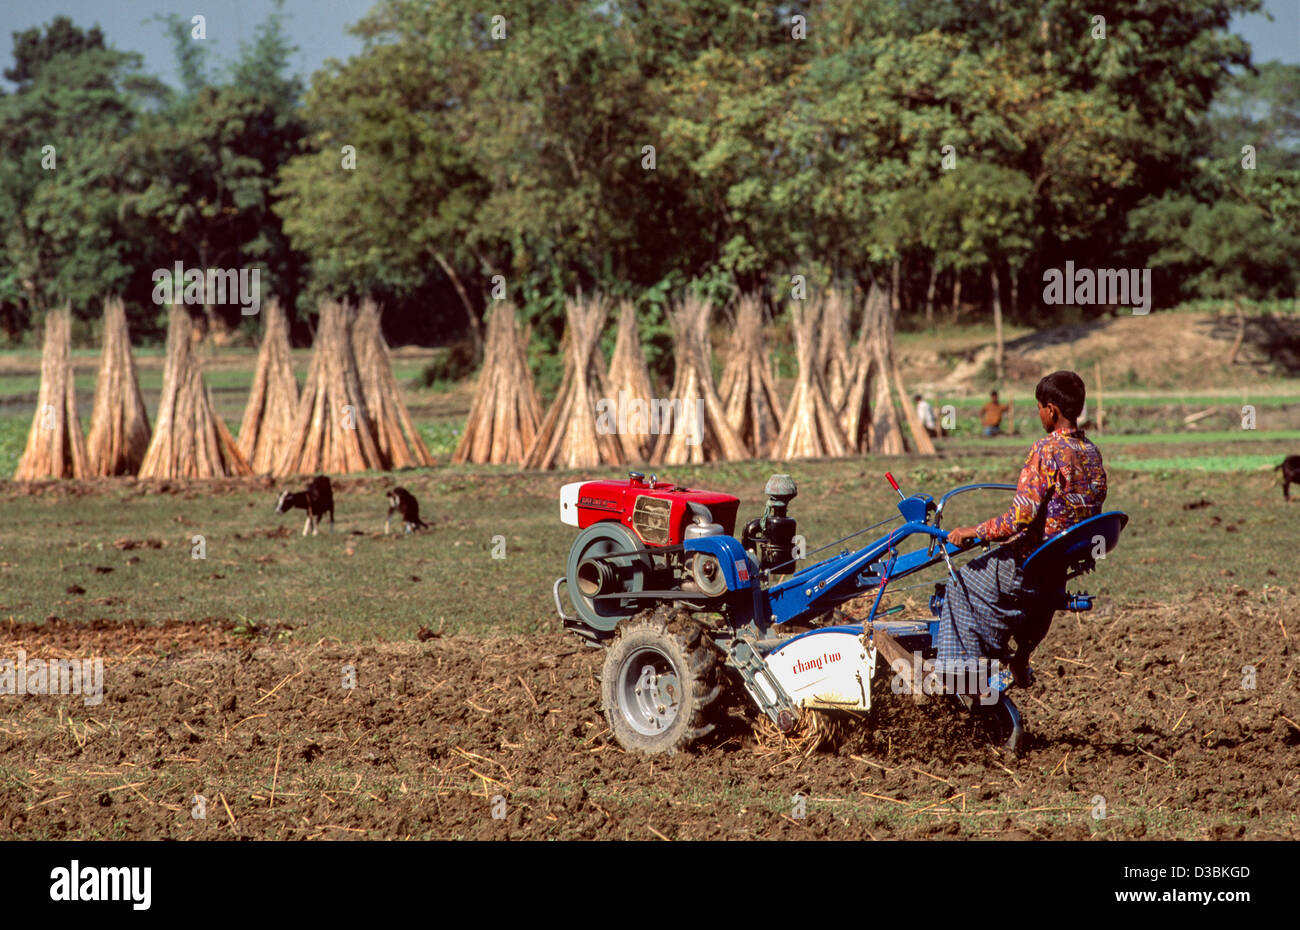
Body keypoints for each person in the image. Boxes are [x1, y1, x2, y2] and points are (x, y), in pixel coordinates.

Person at [938, 370, 1108, 698]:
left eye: (1039, 408)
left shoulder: (1046, 451)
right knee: (1019, 590)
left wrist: (973, 531)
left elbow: (1019, 518)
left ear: (1051, 410)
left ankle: (964, 678)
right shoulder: (1091, 452)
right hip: (1060, 564)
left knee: (959, 584)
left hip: (1028, 560)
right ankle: (1018, 659)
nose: (1039, 414)